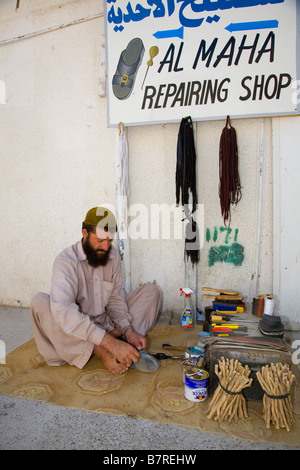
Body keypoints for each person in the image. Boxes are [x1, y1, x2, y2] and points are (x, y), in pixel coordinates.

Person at [30, 207, 160, 374]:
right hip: (78, 330)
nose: (106, 247)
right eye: (100, 240)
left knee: (151, 292)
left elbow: (115, 299)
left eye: (109, 240)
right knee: (40, 303)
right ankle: (98, 349)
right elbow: (64, 311)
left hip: (106, 323)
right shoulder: (66, 262)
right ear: (85, 233)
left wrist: (128, 330)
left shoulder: (112, 255)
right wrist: (108, 342)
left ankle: (117, 339)